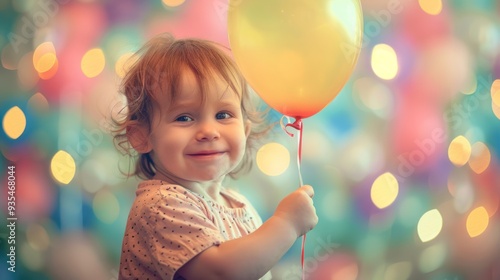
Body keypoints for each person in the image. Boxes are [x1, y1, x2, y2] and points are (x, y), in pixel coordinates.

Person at [113, 33, 318, 280]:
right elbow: (220, 273)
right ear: (141, 136)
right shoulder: (160, 205)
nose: (209, 132)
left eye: (223, 115)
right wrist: (286, 223)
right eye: (184, 118)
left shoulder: (238, 205)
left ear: (244, 130)